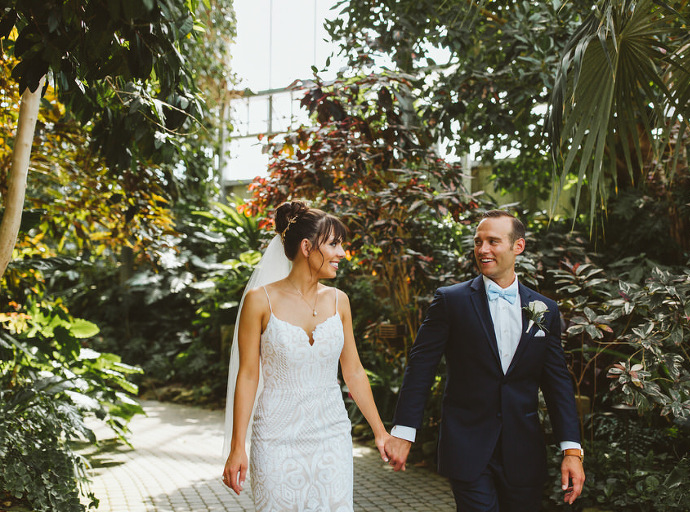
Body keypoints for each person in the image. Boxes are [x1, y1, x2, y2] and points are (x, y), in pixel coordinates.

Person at [384, 210, 585, 511]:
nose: (482, 249)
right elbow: (421, 367)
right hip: (467, 446)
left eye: (493, 241)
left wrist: (571, 450)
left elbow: (557, 383)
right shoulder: (451, 300)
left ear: (518, 246)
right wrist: (403, 432)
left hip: (523, 451)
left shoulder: (545, 309)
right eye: (478, 242)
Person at [222, 200, 391, 511]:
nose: (342, 253)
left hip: (331, 435)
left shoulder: (340, 301)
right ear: (306, 247)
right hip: (275, 437)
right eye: (334, 244)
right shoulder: (260, 301)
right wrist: (237, 447)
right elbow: (247, 375)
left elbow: (353, 371)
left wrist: (380, 432)